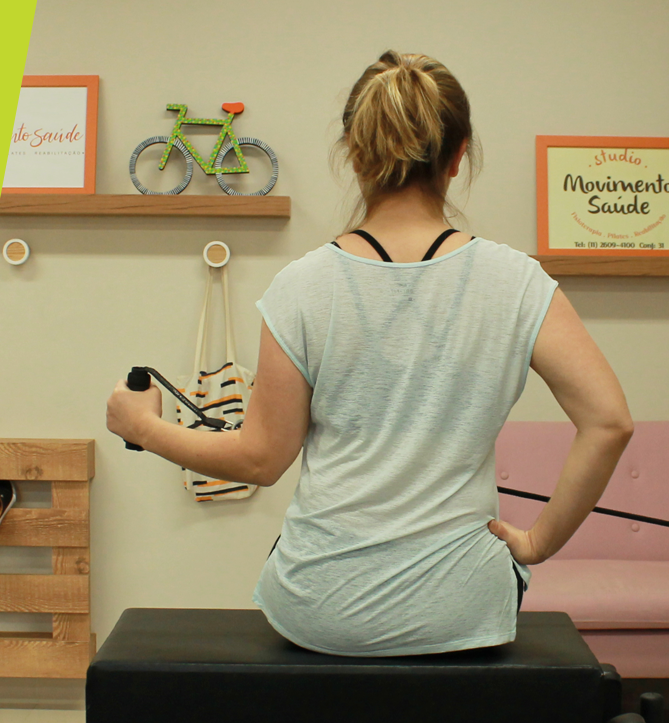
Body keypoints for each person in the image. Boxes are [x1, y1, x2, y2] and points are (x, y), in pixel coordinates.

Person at [105, 50, 632, 657]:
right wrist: (538, 544)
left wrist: (144, 428)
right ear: (459, 157)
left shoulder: (303, 287)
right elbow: (610, 423)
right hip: (461, 609)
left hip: (322, 609)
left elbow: (260, 459)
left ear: (355, 154)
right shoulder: (516, 282)